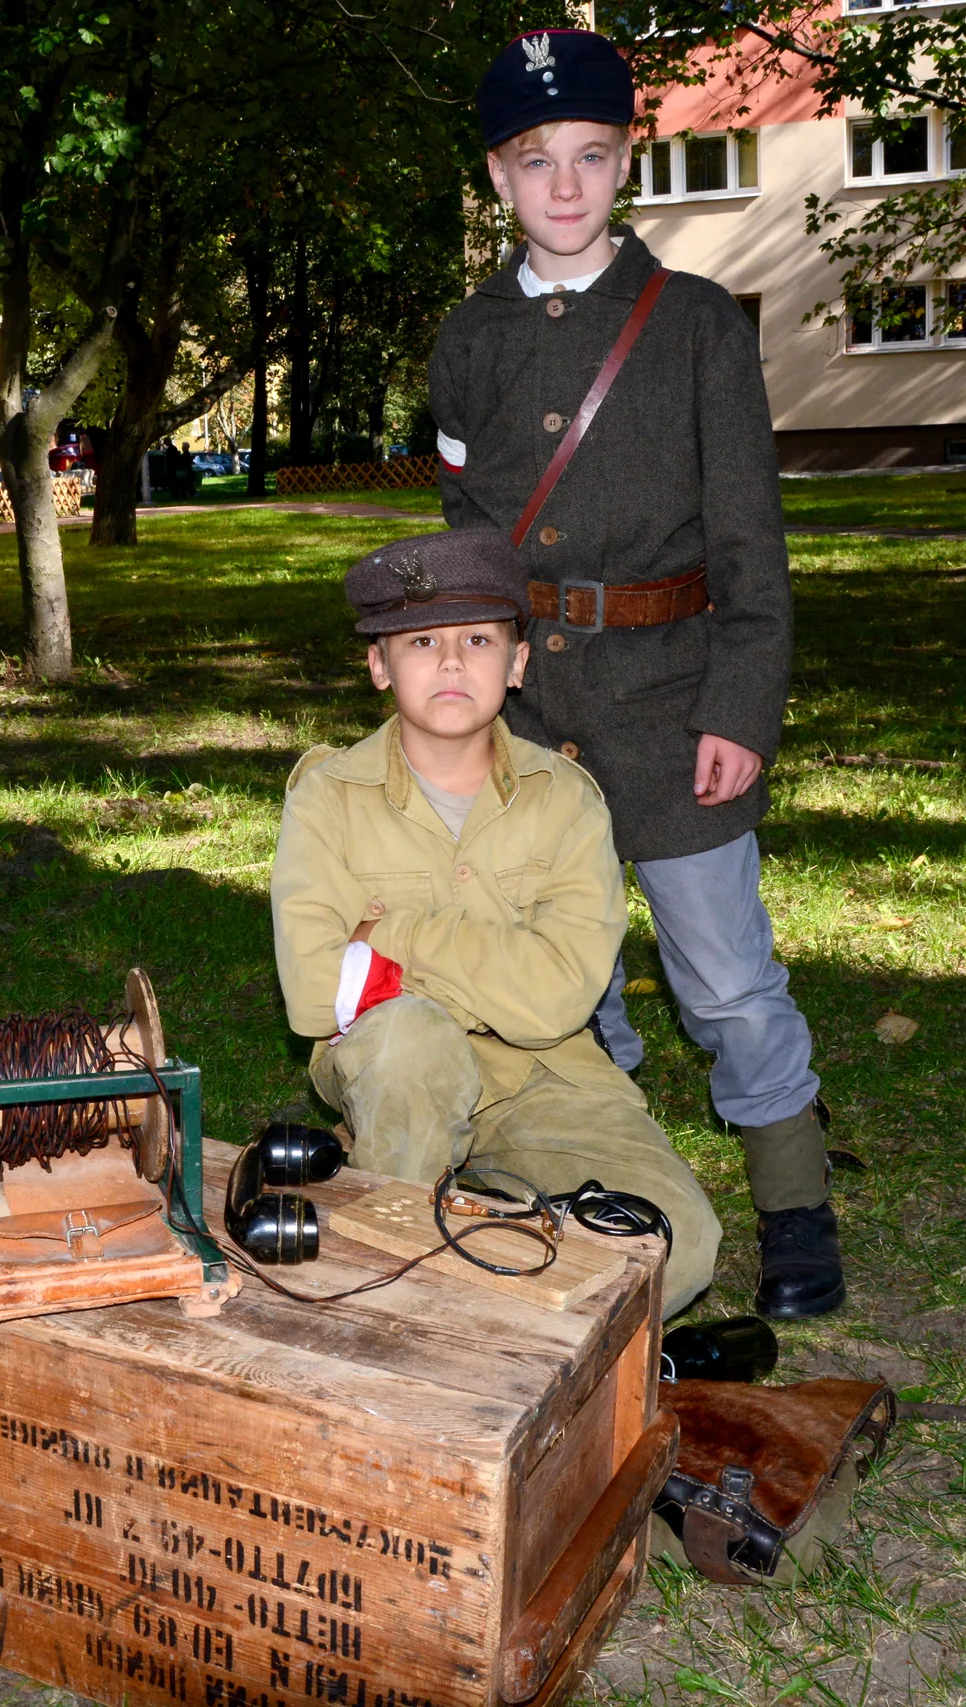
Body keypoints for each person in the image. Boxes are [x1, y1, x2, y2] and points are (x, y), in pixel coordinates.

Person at [425, 28, 842, 1318]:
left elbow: (749, 544)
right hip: (534, 715)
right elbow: (462, 548)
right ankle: (604, 1204)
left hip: (674, 703)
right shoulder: (469, 339)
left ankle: (793, 1203)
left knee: (722, 972)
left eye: (591, 157)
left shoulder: (698, 326)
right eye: (535, 161)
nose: (564, 186)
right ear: (497, 177)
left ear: (624, 165)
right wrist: (461, 710)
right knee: (566, 985)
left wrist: (740, 707)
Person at [269, 529, 721, 1320]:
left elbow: (556, 1000)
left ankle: (454, 1249)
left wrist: (394, 936)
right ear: (379, 664)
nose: (451, 662)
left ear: (516, 664)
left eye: (479, 639)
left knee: (677, 1245)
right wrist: (488, 976)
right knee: (413, 1040)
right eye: (421, 641)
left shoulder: (567, 800)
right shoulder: (328, 796)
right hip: (397, 1069)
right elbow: (314, 993)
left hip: (545, 1075)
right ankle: (410, 1256)